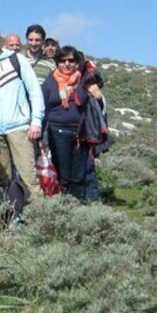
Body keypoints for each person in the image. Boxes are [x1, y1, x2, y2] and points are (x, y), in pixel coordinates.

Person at [0, 23, 45, 202]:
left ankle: (40, 220)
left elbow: (35, 91)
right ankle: (12, 217)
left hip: (19, 127)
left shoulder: (17, 61)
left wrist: (36, 120)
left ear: (0, 38)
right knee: (5, 181)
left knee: (29, 178)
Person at [41, 46, 103, 201]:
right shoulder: (50, 82)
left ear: (77, 63)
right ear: (57, 63)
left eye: (71, 60)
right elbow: (42, 108)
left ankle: (78, 206)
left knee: (79, 174)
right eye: (62, 61)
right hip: (57, 132)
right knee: (63, 173)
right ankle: (64, 206)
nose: (66, 64)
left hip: (81, 132)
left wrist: (99, 97)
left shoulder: (84, 80)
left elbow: (97, 106)